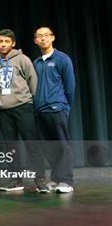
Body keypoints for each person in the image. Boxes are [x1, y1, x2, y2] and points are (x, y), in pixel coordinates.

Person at [0, 29, 47, 193]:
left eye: (6, 41)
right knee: (11, 148)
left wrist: (31, 102)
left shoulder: (22, 59)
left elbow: (33, 81)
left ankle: (40, 180)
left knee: (32, 144)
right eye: (0, 41)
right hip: (4, 110)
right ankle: (16, 181)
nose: (3, 44)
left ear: (13, 43)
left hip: (23, 107)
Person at [33, 26, 75, 193]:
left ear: (53, 37)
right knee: (49, 148)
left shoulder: (62, 59)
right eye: (39, 36)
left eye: (46, 35)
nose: (43, 38)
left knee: (63, 146)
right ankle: (56, 179)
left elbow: (70, 86)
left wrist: (65, 107)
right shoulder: (36, 63)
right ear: (35, 40)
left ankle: (66, 181)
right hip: (40, 110)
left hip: (57, 109)